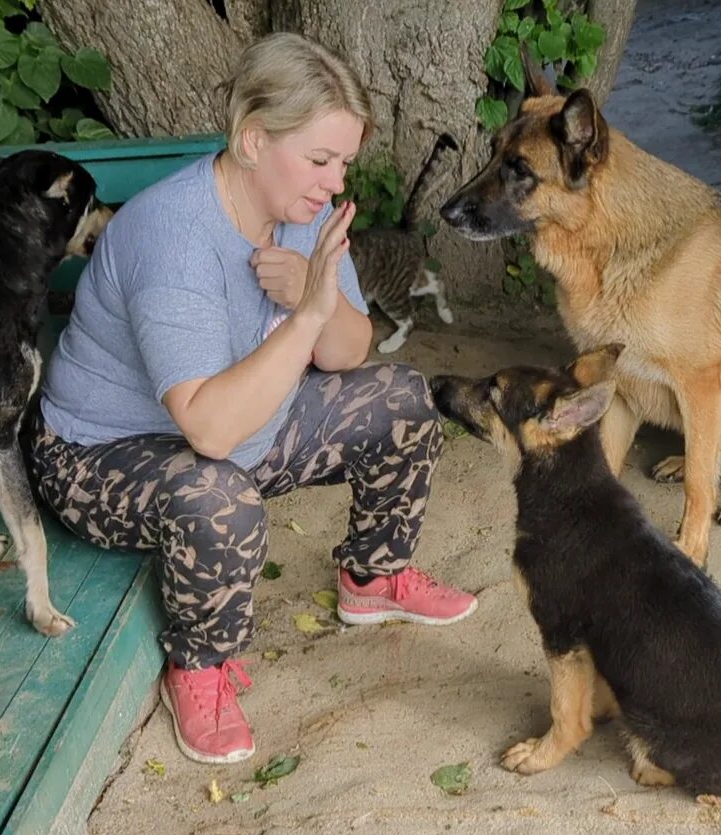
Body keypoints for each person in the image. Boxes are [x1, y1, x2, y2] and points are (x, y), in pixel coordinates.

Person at [25, 32, 478, 765]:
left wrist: (314, 297)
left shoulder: (300, 211)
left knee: (399, 396)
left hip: (235, 428)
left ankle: (372, 575)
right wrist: (302, 319)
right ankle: (198, 666)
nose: (334, 183)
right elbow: (208, 429)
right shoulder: (172, 236)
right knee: (219, 496)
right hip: (97, 457)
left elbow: (349, 352)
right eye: (320, 159)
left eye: (343, 164)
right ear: (251, 140)